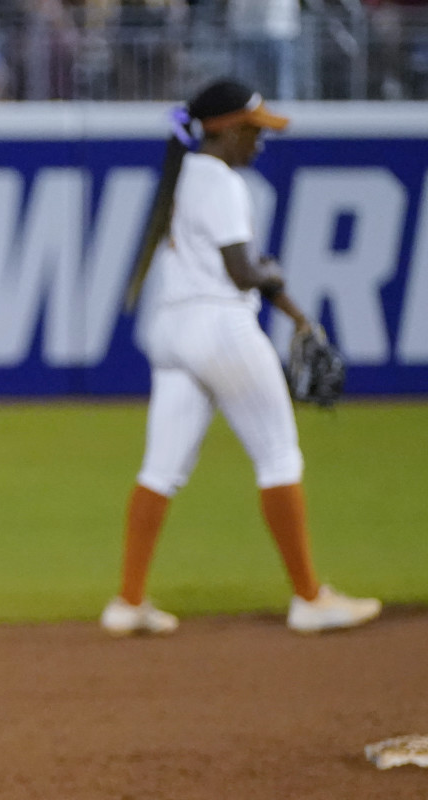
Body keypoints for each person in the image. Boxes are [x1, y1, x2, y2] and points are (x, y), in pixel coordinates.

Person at [102, 79, 380, 637]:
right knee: (279, 456)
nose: (260, 141)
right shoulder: (223, 182)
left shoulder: (186, 177)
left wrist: (296, 315)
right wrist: (274, 276)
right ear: (226, 130)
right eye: (254, 130)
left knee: (161, 467)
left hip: (174, 330)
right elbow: (241, 271)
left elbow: (236, 266)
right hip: (220, 326)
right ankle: (309, 598)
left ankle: (128, 601)